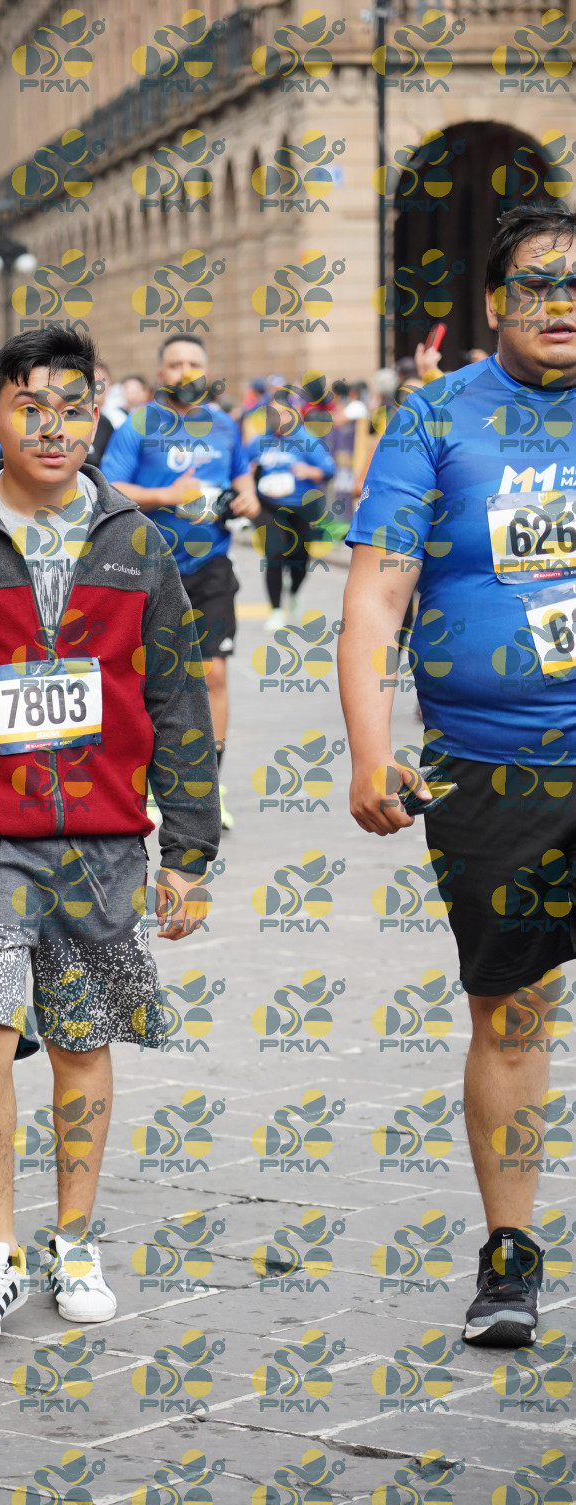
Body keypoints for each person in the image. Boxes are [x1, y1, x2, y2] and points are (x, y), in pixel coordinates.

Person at [0, 325, 220, 1348]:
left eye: (72, 409)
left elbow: (179, 703)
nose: (52, 428)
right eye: (30, 408)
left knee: (79, 1039)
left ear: (96, 418)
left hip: (102, 839)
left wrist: (189, 855)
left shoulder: (136, 543)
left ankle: (74, 1239)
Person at [339, 200, 576, 1349]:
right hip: (493, 767)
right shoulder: (436, 418)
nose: (561, 303)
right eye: (538, 284)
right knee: (514, 1012)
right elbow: (376, 597)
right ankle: (511, 1252)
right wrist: (369, 745)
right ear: (493, 302)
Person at [100, 333, 260, 830]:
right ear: (160, 373)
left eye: (194, 363)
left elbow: (241, 475)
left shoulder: (224, 426)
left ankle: (209, 787)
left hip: (211, 566)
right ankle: (151, 784)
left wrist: (248, 496)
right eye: (175, 364)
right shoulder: (139, 424)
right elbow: (109, 487)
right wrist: (166, 495)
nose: (185, 371)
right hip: (149, 567)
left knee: (214, 675)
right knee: (151, 678)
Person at [243, 385, 336, 630]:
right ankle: (275, 610)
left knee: (300, 557)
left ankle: (294, 591)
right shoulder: (259, 442)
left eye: (283, 414)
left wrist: (310, 471)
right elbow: (241, 470)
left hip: (300, 507)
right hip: (268, 506)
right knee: (275, 552)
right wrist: (249, 473)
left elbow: (329, 470)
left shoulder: (307, 440)